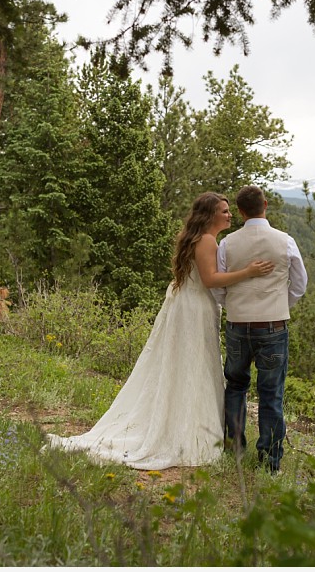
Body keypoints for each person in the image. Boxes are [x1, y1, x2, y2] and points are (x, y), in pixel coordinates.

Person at [45, 192, 273, 470]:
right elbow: (211, 280)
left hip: (187, 305)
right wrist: (248, 272)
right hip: (194, 309)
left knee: (187, 365)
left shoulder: (199, 238)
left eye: (229, 210)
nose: (228, 215)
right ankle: (188, 430)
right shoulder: (207, 240)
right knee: (193, 366)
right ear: (210, 214)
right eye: (223, 211)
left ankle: (184, 420)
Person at [212, 186, 308, 474]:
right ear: (266, 205)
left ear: (240, 212)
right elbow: (299, 285)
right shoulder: (285, 241)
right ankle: (269, 462)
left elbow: (220, 287)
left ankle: (235, 448)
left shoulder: (228, 243)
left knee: (236, 386)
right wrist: (279, 304)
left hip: (238, 324)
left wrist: (236, 306)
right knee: (271, 394)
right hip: (273, 326)